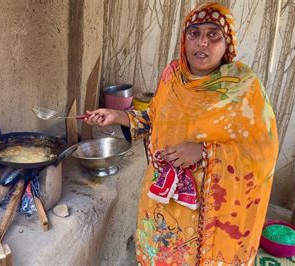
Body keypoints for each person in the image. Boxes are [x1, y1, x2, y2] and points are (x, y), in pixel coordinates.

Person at [85, 3, 278, 265]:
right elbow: (155, 119)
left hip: (206, 213)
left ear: (227, 42)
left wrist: (204, 152)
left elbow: (262, 151)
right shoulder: (173, 75)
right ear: (184, 38)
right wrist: (117, 115)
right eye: (194, 33)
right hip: (161, 200)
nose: (202, 43)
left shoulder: (244, 88)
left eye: (213, 35)